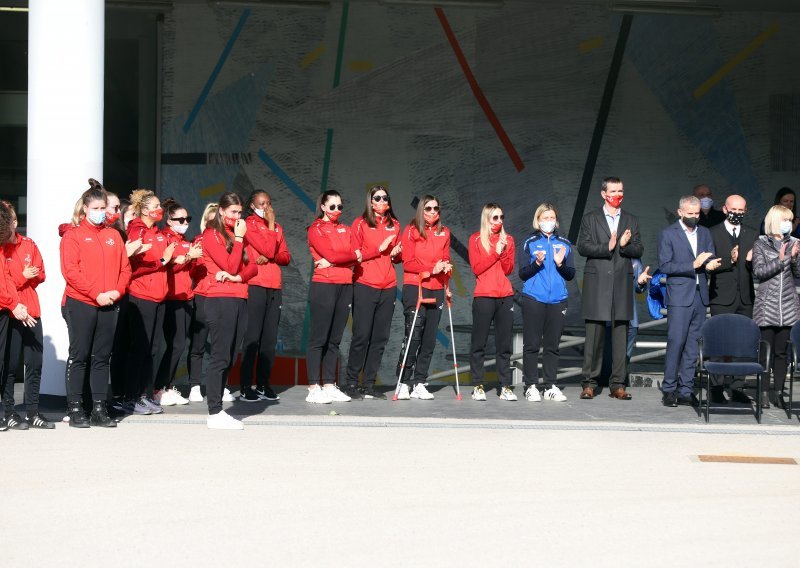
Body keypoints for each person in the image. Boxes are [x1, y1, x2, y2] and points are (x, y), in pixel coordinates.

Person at [60, 181, 130, 427]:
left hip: (109, 302)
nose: (102, 212)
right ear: (85, 210)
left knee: (102, 357)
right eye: (97, 207)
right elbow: (71, 272)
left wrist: (116, 291)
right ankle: (76, 407)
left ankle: (99, 409)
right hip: (81, 302)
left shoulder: (113, 235)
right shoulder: (73, 236)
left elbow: (125, 268)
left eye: (104, 207)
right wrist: (95, 294)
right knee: (79, 355)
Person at [577, 177, 643, 400]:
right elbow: (583, 246)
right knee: (594, 335)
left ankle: (618, 384)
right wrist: (608, 247)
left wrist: (624, 247)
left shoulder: (631, 219)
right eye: (613, 191)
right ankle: (589, 383)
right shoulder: (590, 219)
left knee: (620, 336)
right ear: (603, 194)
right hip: (598, 284)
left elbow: (639, 248)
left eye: (621, 191)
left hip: (621, 284)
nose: (618, 194)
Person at [201, 192, 258, 429]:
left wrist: (236, 277)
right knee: (220, 355)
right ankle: (214, 411)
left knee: (231, 354)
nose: (237, 216)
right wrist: (238, 239)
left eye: (239, 212)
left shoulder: (238, 235)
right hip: (220, 298)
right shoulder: (211, 234)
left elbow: (252, 267)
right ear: (221, 211)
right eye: (233, 212)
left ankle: (219, 408)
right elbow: (229, 264)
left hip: (239, 296)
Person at [658, 196, 721, 408]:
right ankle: (669, 389)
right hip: (679, 296)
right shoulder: (668, 234)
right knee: (676, 342)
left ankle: (686, 389)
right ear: (680, 212)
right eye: (690, 214)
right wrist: (693, 265)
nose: (695, 217)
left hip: (700, 294)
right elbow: (665, 265)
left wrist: (711, 265)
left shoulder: (704, 232)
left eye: (697, 214)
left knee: (693, 345)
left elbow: (710, 257)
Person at [342, 185, 402, 401]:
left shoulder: (395, 224)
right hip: (365, 284)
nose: (383, 200)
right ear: (371, 201)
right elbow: (353, 256)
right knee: (361, 335)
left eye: (386, 197)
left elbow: (395, 258)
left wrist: (396, 254)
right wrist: (380, 248)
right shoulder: (360, 223)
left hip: (388, 286)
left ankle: (368, 384)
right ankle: (350, 382)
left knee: (380, 338)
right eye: (378, 197)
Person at [0, 202, 53, 429]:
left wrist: (23, 277)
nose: (9, 223)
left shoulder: (28, 244)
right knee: (10, 366)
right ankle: (10, 411)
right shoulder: (3, 248)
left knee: (35, 363)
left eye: (11, 219)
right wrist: (22, 277)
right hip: (11, 313)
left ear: (15, 222)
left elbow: (40, 274)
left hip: (31, 310)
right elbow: (6, 283)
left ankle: (33, 411)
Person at [123, 189, 176, 415]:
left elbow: (164, 262)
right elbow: (132, 266)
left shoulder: (158, 232)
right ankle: (131, 396)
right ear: (144, 209)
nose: (159, 210)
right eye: (155, 206)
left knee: (153, 349)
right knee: (139, 349)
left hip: (159, 296)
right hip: (141, 295)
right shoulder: (137, 229)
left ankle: (145, 394)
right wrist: (162, 260)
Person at [396, 195, 452, 401]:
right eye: (428, 208)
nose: (433, 212)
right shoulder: (411, 230)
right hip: (415, 286)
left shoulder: (444, 232)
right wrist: (431, 268)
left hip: (436, 287)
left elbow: (445, 259)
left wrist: (446, 272)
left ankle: (420, 381)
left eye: (436, 208)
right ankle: (403, 381)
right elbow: (408, 263)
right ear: (421, 210)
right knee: (413, 336)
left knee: (429, 339)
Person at [306, 190, 358, 404]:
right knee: (319, 338)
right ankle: (313, 387)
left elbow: (358, 253)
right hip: (324, 285)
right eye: (333, 206)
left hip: (345, 284)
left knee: (335, 339)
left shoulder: (346, 229)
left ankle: (329, 384)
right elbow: (335, 254)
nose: (337, 210)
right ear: (324, 207)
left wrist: (338, 260)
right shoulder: (315, 229)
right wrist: (341, 258)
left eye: (340, 206)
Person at [518, 203, 574, 403]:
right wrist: (537, 263)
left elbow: (570, 275)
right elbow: (523, 273)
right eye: (545, 218)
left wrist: (560, 263)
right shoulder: (529, 242)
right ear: (537, 219)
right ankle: (531, 385)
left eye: (552, 218)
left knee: (552, 345)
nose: (549, 221)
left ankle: (550, 385)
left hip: (558, 300)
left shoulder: (565, 243)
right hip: (534, 298)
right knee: (532, 344)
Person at [239, 190, 291, 402]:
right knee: (252, 337)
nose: (267, 207)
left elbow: (285, 257)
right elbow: (269, 249)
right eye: (262, 203)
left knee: (269, 340)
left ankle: (263, 384)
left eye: (269, 203)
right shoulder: (248, 224)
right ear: (252, 206)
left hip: (274, 286)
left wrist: (271, 254)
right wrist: (270, 246)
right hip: (255, 284)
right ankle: (245, 385)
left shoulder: (278, 227)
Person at [708, 194, 756, 404]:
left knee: (742, 343)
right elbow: (709, 262)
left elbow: (757, 264)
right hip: (721, 295)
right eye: (733, 210)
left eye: (741, 210)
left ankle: (737, 386)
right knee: (720, 341)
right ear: (725, 209)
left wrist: (750, 262)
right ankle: (716, 386)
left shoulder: (752, 234)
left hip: (745, 296)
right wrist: (730, 259)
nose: (737, 214)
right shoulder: (712, 233)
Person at [154, 198, 202, 406]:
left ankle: (167, 385)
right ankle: (159, 387)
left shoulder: (186, 241)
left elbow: (190, 270)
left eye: (187, 219)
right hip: (170, 298)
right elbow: (163, 268)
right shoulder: (165, 238)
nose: (184, 222)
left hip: (185, 296)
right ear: (169, 220)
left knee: (179, 345)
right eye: (180, 219)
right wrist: (185, 259)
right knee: (175, 344)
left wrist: (194, 259)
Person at [186, 203, 236, 404]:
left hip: (223, 294)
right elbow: (192, 271)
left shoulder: (230, 239)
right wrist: (193, 258)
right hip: (202, 294)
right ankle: (195, 386)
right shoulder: (199, 240)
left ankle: (221, 386)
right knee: (198, 343)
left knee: (222, 345)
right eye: (210, 220)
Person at [752, 205, 800, 409]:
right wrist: (781, 260)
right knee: (766, 352)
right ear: (774, 220)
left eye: (790, 220)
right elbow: (759, 272)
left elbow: (797, 273)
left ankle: (778, 392)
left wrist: (795, 258)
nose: (788, 224)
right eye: (784, 219)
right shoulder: (761, 244)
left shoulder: (795, 243)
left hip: (788, 305)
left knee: (782, 352)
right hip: (767, 305)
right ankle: (763, 392)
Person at [468, 203, 515, 401]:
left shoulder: (509, 239)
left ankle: (505, 386)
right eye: (495, 217)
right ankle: (478, 385)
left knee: (504, 345)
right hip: (484, 296)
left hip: (505, 295)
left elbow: (508, 269)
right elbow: (477, 268)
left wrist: (502, 250)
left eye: (501, 217)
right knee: (479, 343)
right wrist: (495, 251)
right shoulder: (476, 239)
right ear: (487, 218)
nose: (499, 221)